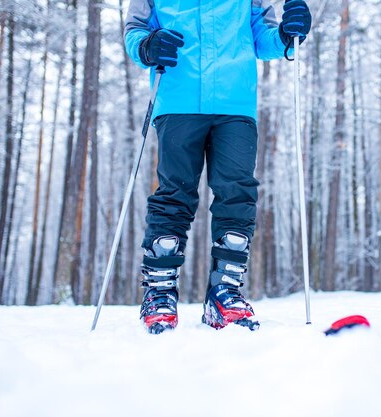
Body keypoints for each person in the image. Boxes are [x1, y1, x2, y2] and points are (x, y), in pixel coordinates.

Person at [124, 0, 312, 334]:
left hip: (235, 101)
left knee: (237, 192)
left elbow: (261, 36)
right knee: (175, 192)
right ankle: (160, 293)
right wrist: (148, 46)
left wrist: (285, 34)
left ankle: (225, 292)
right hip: (177, 97)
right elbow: (134, 31)